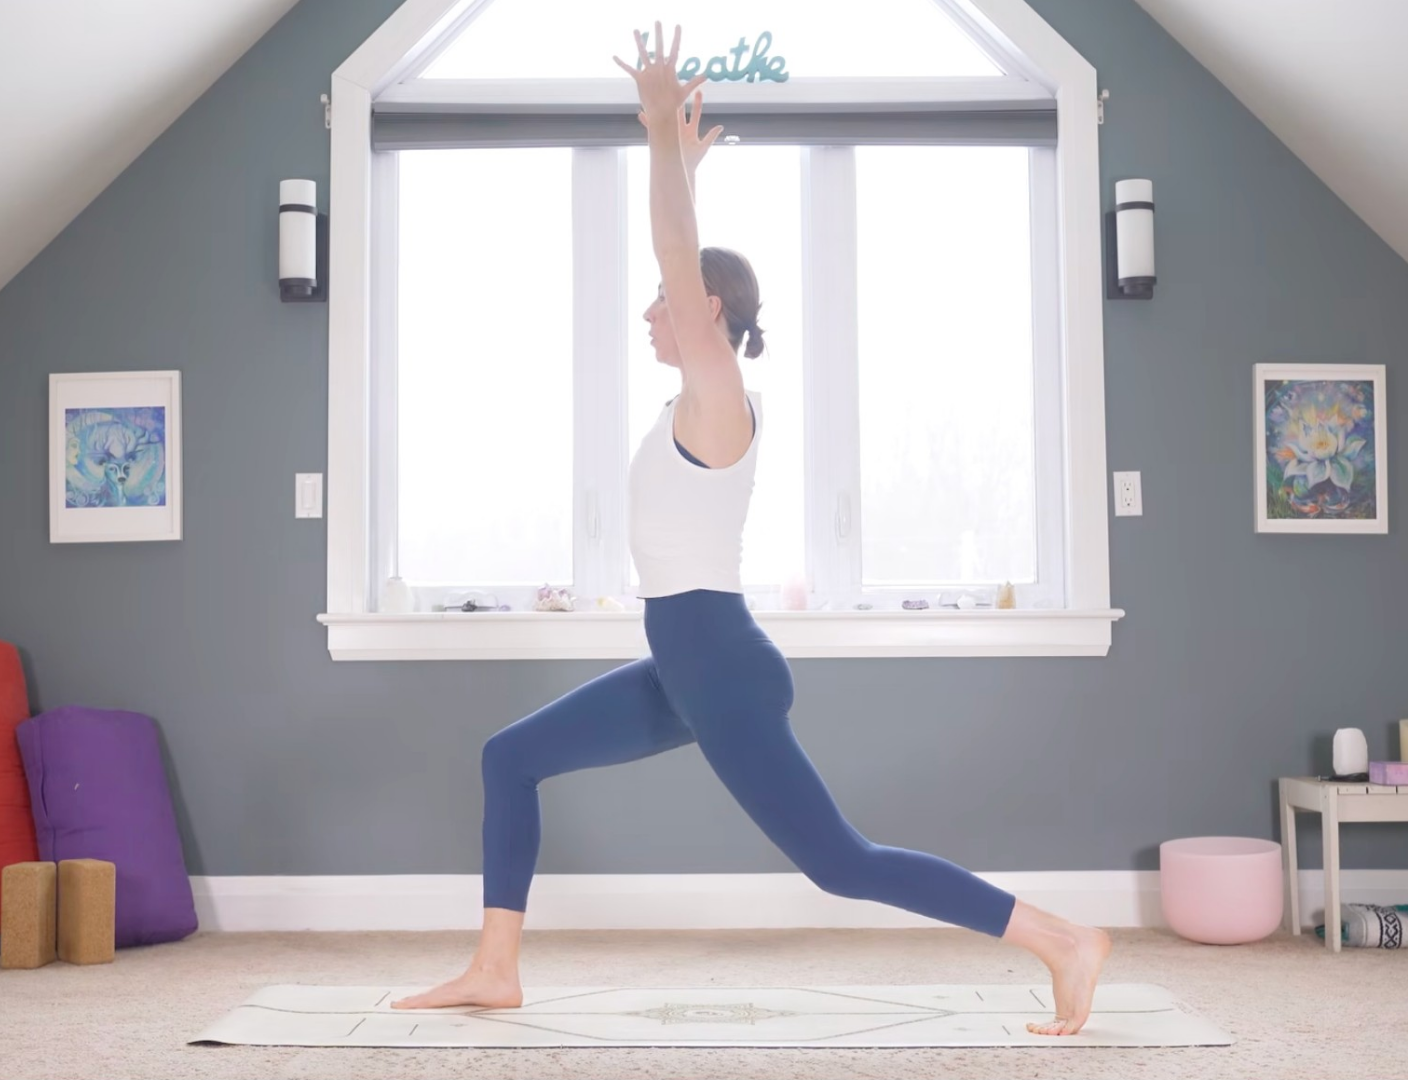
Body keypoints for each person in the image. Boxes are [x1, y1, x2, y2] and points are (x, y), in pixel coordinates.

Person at [394, 23, 1111, 1037]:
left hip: (718, 665)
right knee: (509, 757)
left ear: (706, 310)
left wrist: (656, 137)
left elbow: (678, 258)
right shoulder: (693, 401)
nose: (647, 314)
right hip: (682, 663)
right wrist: (681, 164)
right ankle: (494, 968)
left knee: (841, 865)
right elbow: (683, 264)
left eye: (662, 303)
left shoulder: (720, 394)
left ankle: (1062, 940)